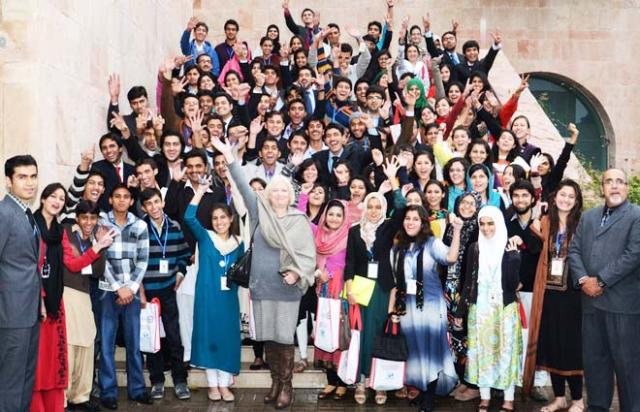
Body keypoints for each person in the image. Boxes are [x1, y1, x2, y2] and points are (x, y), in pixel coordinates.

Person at [215, 135, 316, 409]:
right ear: (269, 194)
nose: (279, 194)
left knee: (284, 338)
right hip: (261, 286)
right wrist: (229, 155)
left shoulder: (299, 219)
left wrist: (297, 273)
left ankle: (286, 386)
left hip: (287, 289)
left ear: (290, 195)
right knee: (269, 339)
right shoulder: (259, 212)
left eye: (284, 191)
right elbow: (240, 183)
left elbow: (308, 255)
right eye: (275, 191)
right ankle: (275, 382)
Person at [568, 168, 640, 412]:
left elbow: (634, 254)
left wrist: (600, 281)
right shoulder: (588, 217)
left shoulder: (637, 216)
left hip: (623, 305)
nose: (614, 186)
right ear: (602, 188)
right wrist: (583, 280)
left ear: (626, 188)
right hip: (591, 304)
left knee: (628, 366)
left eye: (620, 181)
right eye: (609, 181)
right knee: (595, 364)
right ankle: (597, 407)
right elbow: (574, 251)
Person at [389, 205, 463, 412]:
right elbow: (396, 281)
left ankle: (430, 396)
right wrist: (393, 309)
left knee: (431, 348)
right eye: (408, 218)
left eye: (415, 219)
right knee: (415, 349)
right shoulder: (397, 247)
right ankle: (422, 390)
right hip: (408, 306)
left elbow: (450, 258)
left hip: (430, 304)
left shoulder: (432, 243)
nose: (410, 222)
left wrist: (457, 231)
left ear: (423, 223)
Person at [524, 180, 584, 412]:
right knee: (552, 346)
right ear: (555, 197)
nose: (566, 199)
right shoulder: (545, 221)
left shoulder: (582, 224)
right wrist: (535, 222)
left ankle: (577, 400)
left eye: (571, 196)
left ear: (576, 201)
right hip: (547, 294)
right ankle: (559, 397)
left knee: (572, 346)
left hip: (573, 296)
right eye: (562, 194)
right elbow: (532, 249)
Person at [455, 205, 522, 412]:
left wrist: (514, 258)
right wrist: (460, 312)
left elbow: (512, 284)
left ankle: (508, 399)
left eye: (490, 223)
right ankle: (484, 397)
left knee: (506, 353)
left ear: (499, 223)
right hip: (480, 308)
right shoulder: (475, 248)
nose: (486, 228)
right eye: (482, 224)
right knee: (481, 353)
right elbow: (468, 282)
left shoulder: (509, 247)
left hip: (504, 309)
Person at [184, 179, 243, 402]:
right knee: (208, 336)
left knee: (227, 338)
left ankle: (225, 384)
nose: (219, 222)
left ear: (231, 219)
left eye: (223, 217)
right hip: (207, 296)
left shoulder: (240, 243)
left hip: (228, 298)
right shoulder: (205, 237)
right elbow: (189, 217)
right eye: (215, 218)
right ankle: (212, 385)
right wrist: (200, 191)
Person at [97, 185, 151, 410]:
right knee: (106, 344)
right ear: (110, 199)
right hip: (107, 291)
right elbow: (101, 257)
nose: (121, 200)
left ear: (131, 201)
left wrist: (131, 288)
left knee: (134, 343)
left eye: (126, 197)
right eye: (117, 196)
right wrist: (118, 287)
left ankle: (137, 389)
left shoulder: (140, 225)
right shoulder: (101, 224)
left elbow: (143, 260)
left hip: (132, 292)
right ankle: (108, 392)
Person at [139, 189, 192, 401]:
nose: (154, 207)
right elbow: (135, 260)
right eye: (149, 204)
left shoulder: (175, 226)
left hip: (169, 289)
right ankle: (157, 381)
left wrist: (180, 272)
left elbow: (184, 254)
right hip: (148, 291)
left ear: (162, 202)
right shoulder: (139, 228)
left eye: (156, 202)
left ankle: (180, 381)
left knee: (174, 336)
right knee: (152, 338)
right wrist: (140, 290)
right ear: (144, 208)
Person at [62, 200, 114, 412]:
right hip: (67, 292)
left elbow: (97, 271)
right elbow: (72, 265)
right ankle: (63, 399)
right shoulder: (67, 233)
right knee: (69, 346)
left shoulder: (95, 238)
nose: (88, 222)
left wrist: (99, 246)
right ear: (77, 218)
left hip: (85, 295)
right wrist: (95, 249)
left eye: (93, 218)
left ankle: (80, 397)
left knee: (87, 343)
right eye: (84, 218)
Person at [0, 155, 41, 412]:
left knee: (26, 377)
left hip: (29, 312)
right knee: (10, 381)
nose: (30, 183)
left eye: (33, 176)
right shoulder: (4, 213)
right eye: (22, 177)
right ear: (8, 181)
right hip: (10, 313)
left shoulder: (26, 213)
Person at [29, 184, 69, 411]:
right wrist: (40, 300)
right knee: (37, 361)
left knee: (54, 361)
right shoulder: (30, 226)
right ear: (43, 198)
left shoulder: (60, 231)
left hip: (55, 305)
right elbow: (31, 267)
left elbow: (72, 263)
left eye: (61, 199)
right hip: (34, 304)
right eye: (53, 196)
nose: (57, 201)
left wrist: (97, 248)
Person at [442, 192, 481, 402]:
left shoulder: (480, 228)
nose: (466, 206)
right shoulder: (450, 227)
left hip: (468, 289)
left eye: (471, 203)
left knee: (469, 335)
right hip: (449, 288)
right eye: (463, 202)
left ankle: (473, 383)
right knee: (455, 337)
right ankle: (462, 379)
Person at [313, 199, 351, 401]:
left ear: (344, 217)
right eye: (331, 214)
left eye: (338, 215)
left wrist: (336, 275)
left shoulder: (350, 235)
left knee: (340, 333)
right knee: (325, 330)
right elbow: (311, 259)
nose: (334, 218)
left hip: (342, 291)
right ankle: (331, 380)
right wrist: (318, 273)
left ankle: (342, 382)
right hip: (325, 290)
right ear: (325, 216)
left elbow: (353, 262)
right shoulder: (318, 235)